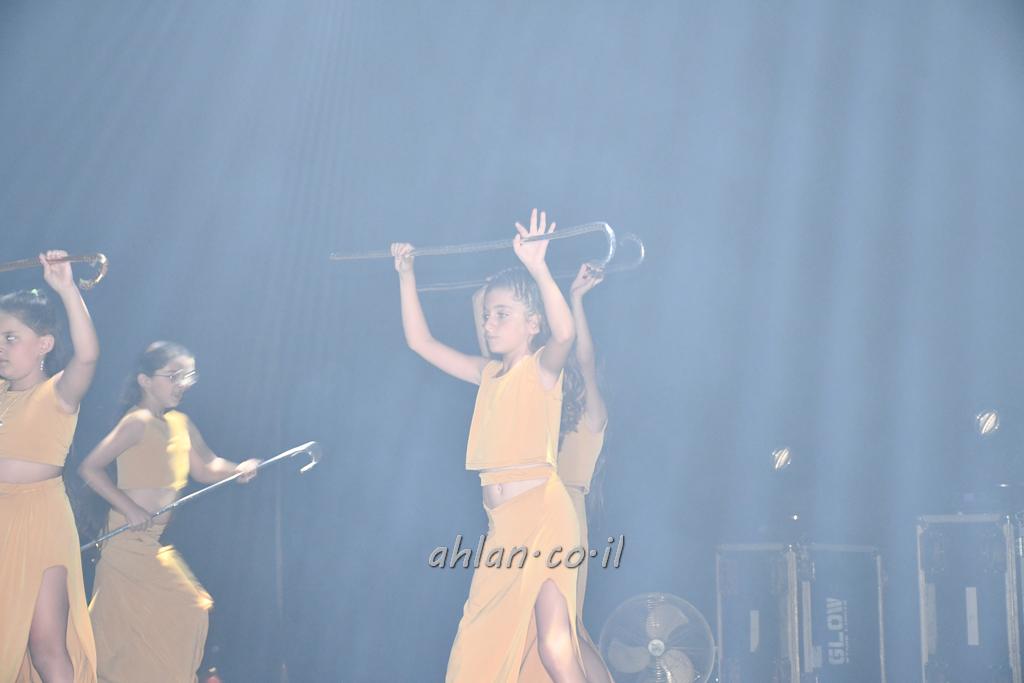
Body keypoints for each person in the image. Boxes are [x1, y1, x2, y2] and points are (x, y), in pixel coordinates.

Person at [393, 209, 597, 682]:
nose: (489, 323)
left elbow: (566, 334)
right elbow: (420, 342)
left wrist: (539, 268)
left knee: (554, 646)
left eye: (502, 314)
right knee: (474, 650)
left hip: (544, 517)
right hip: (501, 531)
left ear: (532, 323)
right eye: (487, 315)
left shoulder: (542, 369)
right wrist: (406, 276)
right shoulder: (484, 374)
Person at [78, 341, 259, 682]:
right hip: (124, 544)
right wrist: (129, 508)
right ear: (145, 380)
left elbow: (206, 467)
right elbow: (90, 468)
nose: (182, 383)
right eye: (173, 375)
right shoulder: (138, 421)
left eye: (187, 375)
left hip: (151, 543)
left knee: (164, 619)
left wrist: (237, 469)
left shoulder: (180, 424)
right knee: (176, 612)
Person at [475, 262, 613, 683]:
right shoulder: (543, 410)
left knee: (566, 633)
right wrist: (485, 297)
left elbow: (584, 360)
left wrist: (576, 299)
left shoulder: (591, 417)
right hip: (529, 513)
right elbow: (494, 370)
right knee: (553, 634)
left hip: (559, 516)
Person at [0, 251, 100, 683]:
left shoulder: (58, 393)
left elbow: (88, 356)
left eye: (10, 337)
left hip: (41, 521)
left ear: (44, 344)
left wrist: (66, 288)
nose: (0, 347)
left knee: (46, 646)